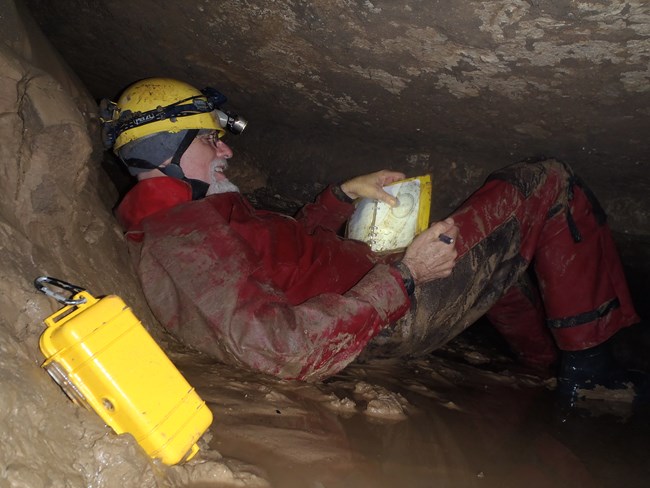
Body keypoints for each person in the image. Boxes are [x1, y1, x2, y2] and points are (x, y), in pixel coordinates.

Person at [100, 77, 642, 409]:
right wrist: (405, 277)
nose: (225, 152)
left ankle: (542, 369)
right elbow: (277, 350)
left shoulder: (198, 210)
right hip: (389, 314)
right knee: (546, 181)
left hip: (373, 286)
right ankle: (593, 378)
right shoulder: (186, 241)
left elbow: (291, 253)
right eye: (210, 138)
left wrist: (339, 195)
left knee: (494, 266)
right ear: (167, 147)